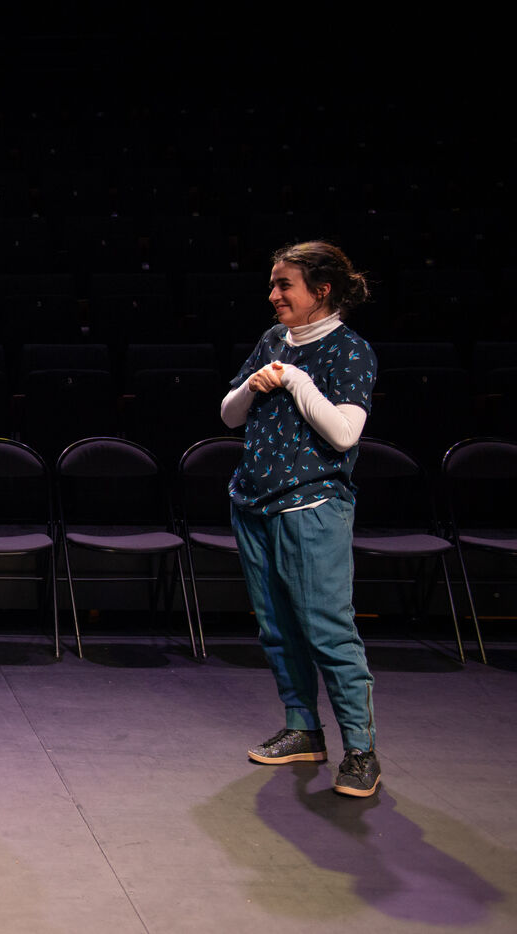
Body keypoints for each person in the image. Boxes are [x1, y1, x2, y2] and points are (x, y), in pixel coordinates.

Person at [220, 240, 380, 797]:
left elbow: (344, 433)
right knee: (277, 628)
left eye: (284, 284)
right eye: (273, 284)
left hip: (312, 507)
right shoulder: (272, 341)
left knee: (327, 630)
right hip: (254, 502)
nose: (273, 294)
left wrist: (293, 379)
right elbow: (229, 414)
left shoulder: (349, 351)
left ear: (322, 290)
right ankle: (303, 729)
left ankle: (361, 750)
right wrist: (253, 383)